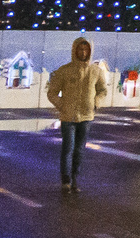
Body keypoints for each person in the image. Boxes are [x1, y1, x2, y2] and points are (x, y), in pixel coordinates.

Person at [45, 38, 108, 193]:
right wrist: (62, 105)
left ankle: (75, 178)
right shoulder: (65, 70)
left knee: (79, 149)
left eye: (86, 49)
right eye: (80, 49)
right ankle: (65, 180)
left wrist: (96, 102)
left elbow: (102, 90)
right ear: (74, 50)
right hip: (68, 117)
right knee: (68, 148)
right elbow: (52, 92)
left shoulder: (95, 71)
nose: (83, 52)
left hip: (86, 116)